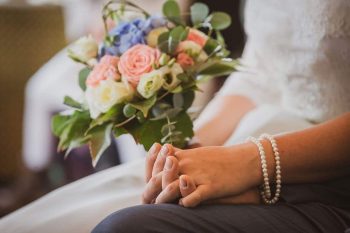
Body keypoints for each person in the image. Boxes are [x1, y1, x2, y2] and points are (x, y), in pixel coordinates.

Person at [1, 0, 349, 232]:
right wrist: (194, 146)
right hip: (256, 130)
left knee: (122, 226)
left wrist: (248, 163)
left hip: (327, 170)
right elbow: (264, 71)